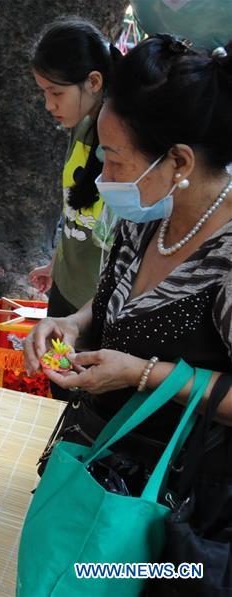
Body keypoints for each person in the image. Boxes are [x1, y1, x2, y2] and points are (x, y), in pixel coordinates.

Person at [25, 36, 232, 488]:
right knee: (64, 558)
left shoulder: (226, 259)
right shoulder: (147, 216)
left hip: (171, 509)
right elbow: (116, 305)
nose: (104, 179)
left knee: (109, 566)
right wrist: (73, 325)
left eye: (115, 161)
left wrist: (143, 375)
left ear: (179, 161)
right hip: (94, 463)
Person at [27, 18, 121, 323]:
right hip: (65, 290)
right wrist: (56, 263)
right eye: (44, 93)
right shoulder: (79, 126)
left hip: (95, 308)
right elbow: (74, 206)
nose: (48, 105)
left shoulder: (124, 144)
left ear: (93, 82)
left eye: (56, 93)